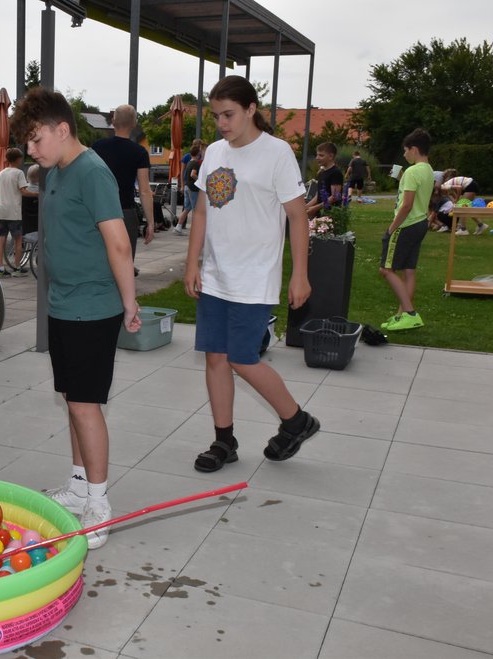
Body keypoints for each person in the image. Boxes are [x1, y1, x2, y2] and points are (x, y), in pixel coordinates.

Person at [11, 87, 142, 549]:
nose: (31, 149)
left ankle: (100, 504)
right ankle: (79, 485)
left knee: (87, 405)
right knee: (71, 398)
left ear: (62, 130)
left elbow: (119, 242)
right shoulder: (53, 173)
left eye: (35, 139)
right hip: (63, 303)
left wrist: (130, 302)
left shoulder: (92, 172)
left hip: (93, 306)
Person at [182, 75, 320, 474]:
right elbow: (204, 211)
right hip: (216, 275)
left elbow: (297, 217)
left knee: (242, 358)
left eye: (229, 114)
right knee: (215, 358)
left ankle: (296, 420)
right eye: (216, 116)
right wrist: (193, 263)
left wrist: (300, 275)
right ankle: (224, 441)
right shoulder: (213, 152)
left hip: (254, 276)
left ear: (250, 110)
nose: (222, 123)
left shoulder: (276, 153)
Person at [379, 129, 435, 332]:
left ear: (414, 149)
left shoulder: (412, 172)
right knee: (409, 271)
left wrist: (391, 228)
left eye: (405, 150)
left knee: (386, 269)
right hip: (421, 223)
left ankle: (410, 314)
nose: (404, 155)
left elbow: (407, 205)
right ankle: (401, 315)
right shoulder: (428, 170)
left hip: (406, 224)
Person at [91, 104, 155, 264]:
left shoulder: (97, 148)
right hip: (125, 213)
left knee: (98, 262)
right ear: (134, 124)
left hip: (97, 213)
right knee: (123, 264)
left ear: (113, 121)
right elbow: (145, 190)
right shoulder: (139, 152)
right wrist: (151, 222)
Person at [0, 148, 32, 277]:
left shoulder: (1, 173)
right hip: (13, 212)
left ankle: (0, 268)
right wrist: (39, 194)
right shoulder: (19, 173)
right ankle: (17, 268)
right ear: (19, 159)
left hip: (0, 210)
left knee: (1, 239)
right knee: (18, 240)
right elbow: (24, 191)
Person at [305, 142, 344, 219]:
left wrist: (315, 208)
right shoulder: (321, 173)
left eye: (321, 155)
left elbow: (334, 197)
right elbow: (318, 195)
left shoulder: (335, 173)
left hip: (332, 213)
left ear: (331, 156)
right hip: (321, 212)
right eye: (317, 155)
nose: (317, 158)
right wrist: (306, 207)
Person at [175, 142, 204, 235]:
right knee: (196, 209)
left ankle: (178, 227)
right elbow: (193, 174)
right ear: (198, 154)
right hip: (193, 188)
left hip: (187, 187)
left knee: (187, 208)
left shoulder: (189, 162)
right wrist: (200, 180)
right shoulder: (195, 163)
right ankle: (196, 231)